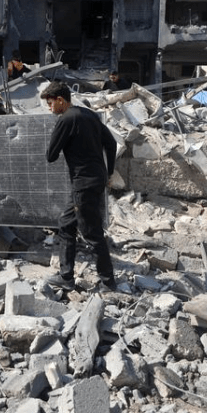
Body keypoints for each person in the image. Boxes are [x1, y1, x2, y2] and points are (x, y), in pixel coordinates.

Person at [41, 80, 118, 292]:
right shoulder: (89, 115)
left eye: (50, 104)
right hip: (94, 180)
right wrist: (109, 171)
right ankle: (66, 277)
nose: (50, 109)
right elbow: (111, 144)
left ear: (60, 100)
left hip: (82, 183)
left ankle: (108, 282)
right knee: (66, 224)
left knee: (92, 232)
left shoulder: (66, 119)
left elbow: (51, 155)